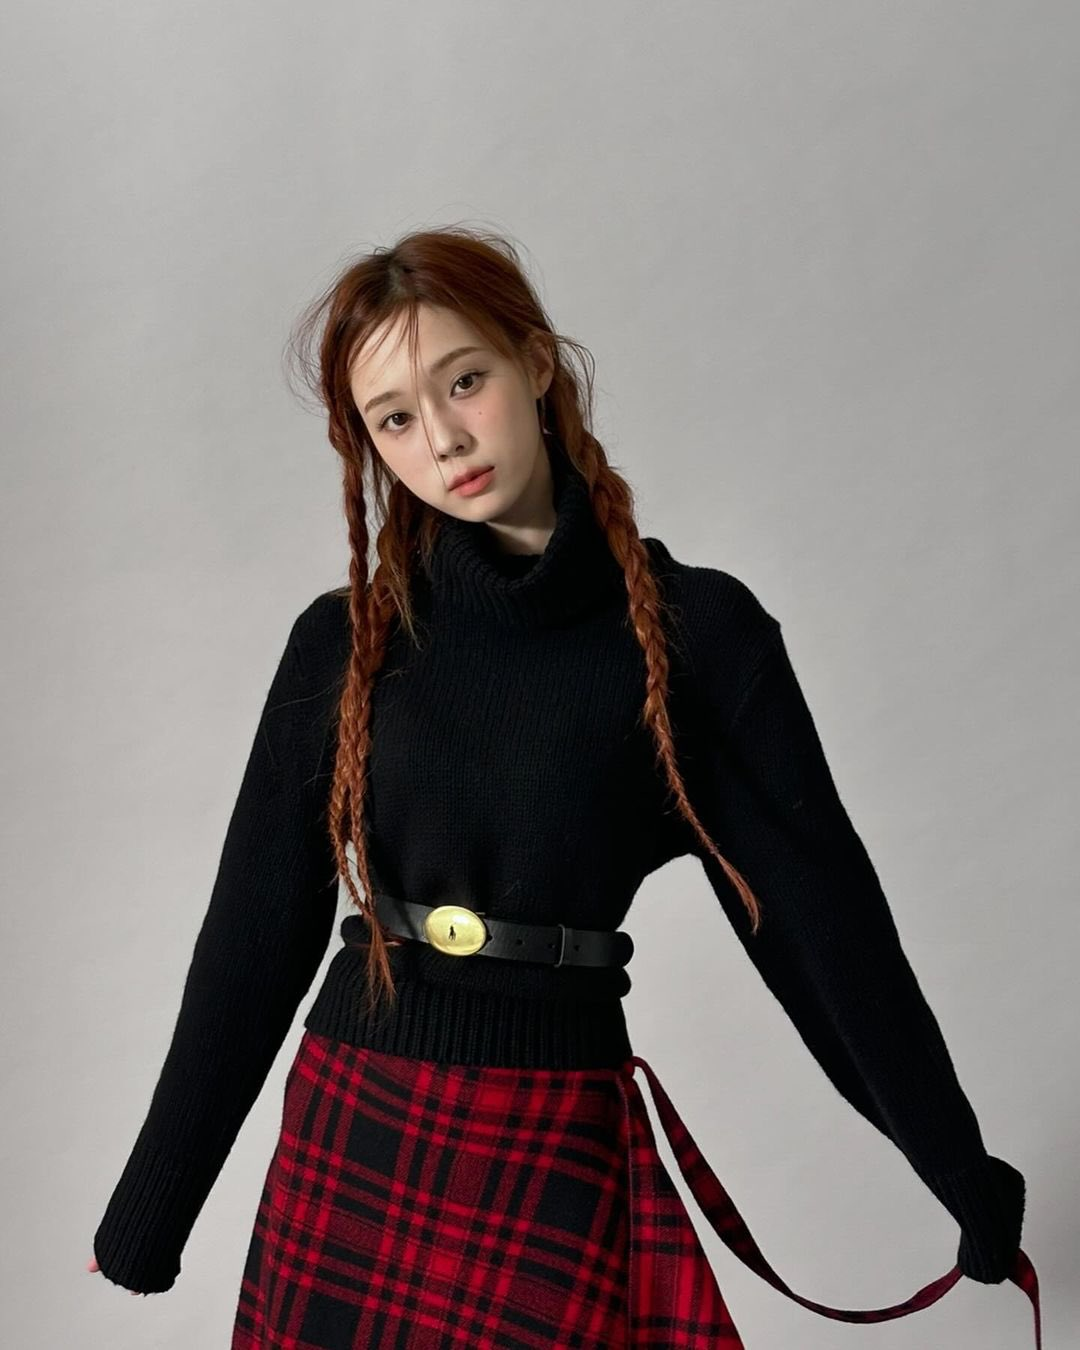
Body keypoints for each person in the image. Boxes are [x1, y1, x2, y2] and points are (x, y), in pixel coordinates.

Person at [89, 226, 1037, 1347]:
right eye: (395, 419)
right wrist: (150, 1214)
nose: (444, 438)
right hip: (357, 1120)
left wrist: (960, 1177)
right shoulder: (343, 645)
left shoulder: (699, 640)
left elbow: (826, 937)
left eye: (465, 382)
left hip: (553, 1132)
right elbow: (252, 940)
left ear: (536, 362)